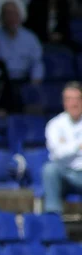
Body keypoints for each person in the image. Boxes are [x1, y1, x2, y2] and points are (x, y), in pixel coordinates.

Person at [42, 82, 82, 214]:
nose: (74, 104)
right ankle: (53, 220)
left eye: (77, 99)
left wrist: (67, 145)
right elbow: (58, 153)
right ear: (64, 102)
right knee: (49, 169)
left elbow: (63, 150)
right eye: (69, 99)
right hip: (64, 174)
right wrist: (78, 146)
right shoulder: (55, 124)